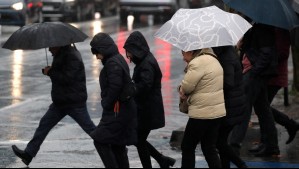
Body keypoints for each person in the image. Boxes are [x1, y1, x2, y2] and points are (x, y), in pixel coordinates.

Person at [12, 45, 97, 166]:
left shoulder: (71, 56)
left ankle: (112, 146)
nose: (49, 49)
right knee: (44, 125)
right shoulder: (62, 54)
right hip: (61, 101)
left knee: (90, 129)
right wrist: (51, 70)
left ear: (58, 45)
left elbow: (68, 78)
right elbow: (63, 73)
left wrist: (50, 72)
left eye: (51, 47)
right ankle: (28, 154)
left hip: (73, 102)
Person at [123, 31, 176, 168]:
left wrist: (132, 89)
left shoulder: (146, 64)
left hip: (148, 110)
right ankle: (162, 160)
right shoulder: (144, 60)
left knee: (138, 140)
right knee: (139, 140)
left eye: (129, 51)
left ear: (135, 49)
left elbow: (146, 85)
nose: (127, 55)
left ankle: (159, 161)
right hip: (146, 108)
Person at [230, 23, 280, 157]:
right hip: (255, 73)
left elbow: (266, 53)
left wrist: (254, 72)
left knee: (243, 109)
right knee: (263, 109)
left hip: (254, 74)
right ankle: (272, 146)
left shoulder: (263, 28)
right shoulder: (257, 26)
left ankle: (233, 146)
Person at [90, 33, 138, 168]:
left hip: (117, 111)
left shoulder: (112, 63)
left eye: (97, 53)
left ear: (103, 49)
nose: (97, 57)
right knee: (118, 145)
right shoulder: (116, 59)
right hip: (122, 110)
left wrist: (106, 103)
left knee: (100, 140)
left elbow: (115, 87)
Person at [249, 28, 299, 153]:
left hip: (275, 75)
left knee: (262, 108)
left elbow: (283, 53)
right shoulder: (270, 27)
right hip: (268, 74)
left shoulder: (280, 30)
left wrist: (266, 54)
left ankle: (271, 143)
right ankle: (268, 141)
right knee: (262, 107)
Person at [179, 48, 226, 168]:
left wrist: (181, 88)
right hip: (217, 112)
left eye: (183, 53)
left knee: (187, 146)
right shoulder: (213, 59)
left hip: (201, 113)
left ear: (190, 51)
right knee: (209, 147)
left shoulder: (197, 63)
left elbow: (187, 87)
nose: (183, 57)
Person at [213, 46, 248, 168]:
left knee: (219, 141)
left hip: (230, 105)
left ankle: (241, 165)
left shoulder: (226, 58)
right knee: (221, 141)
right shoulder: (227, 52)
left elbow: (228, 82)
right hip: (232, 103)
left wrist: (212, 83)